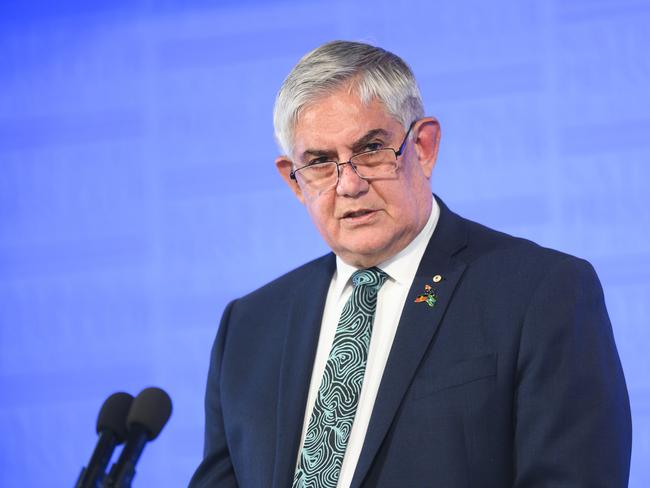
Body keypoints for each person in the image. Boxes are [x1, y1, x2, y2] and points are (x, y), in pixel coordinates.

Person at [189, 40, 631, 487]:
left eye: (370, 149)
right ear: (295, 182)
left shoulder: (541, 291)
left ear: (423, 146)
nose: (349, 184)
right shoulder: (248, 328)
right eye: (321, 162)